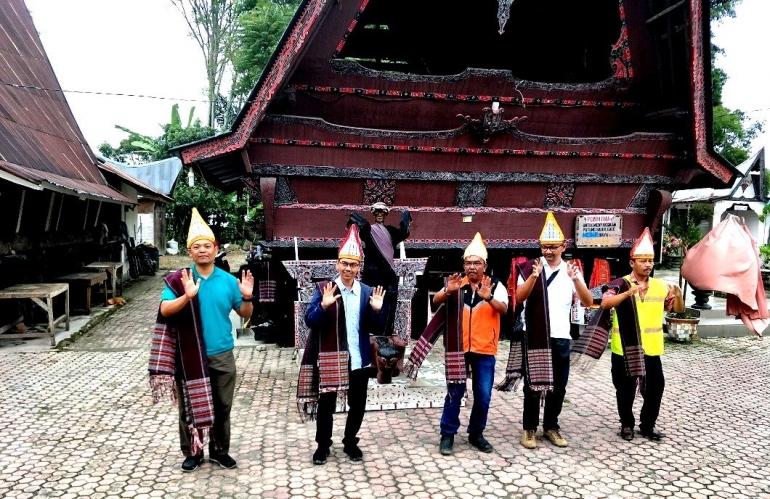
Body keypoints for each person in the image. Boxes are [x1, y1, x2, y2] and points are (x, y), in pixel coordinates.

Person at [149, 208, 254, 472]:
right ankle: (193, 452)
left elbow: (244, 313)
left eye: (207, 245)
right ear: (190, 251)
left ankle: (220, 451)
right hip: (189, 354)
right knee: (188, 409)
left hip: (222, 353)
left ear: (216, 248)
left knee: (223, 406)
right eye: (197, 247)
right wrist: (187, 297)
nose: (203, 250)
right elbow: (164, 310)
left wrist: (249, 297)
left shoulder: (229, 281)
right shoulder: (180, 279)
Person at [405, 233, 508, 455]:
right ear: (463, 264)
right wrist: (448, 291)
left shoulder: (495, 285)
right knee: (454, 392)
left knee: (483, 395)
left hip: (484, 349)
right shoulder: (455, 283)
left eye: (477, 263)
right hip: (457, 349)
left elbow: (504, 310)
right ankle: (448, 434)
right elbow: (436, 301)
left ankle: (476, 433)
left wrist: (488, 297)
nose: (472, 267)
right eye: (468, 262)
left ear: (485, 265)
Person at [297, 224, 385, 465]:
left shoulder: (367, 292)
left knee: (358, 404)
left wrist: (377, 311)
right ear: (337, 264)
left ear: (359, 267)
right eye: (344, 263)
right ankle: (322, 446)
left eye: (353, 264)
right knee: (326, 404)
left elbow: (375, 326)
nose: (348, 268)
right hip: (331, 357)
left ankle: (350, 442)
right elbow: (309, 322)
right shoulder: (325, 289)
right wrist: (323, 306)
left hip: (358, 358)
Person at [508, 212, 593, 449]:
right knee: (533, 383)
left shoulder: (571, 270)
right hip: (534, 334)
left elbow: (587, 301)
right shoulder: (529, 267)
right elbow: (519, 298)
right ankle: (529, 429)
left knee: (559, 384)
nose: (548, 251)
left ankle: (551, 426)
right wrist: (534, 277)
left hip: (560, 336)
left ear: (564, 246)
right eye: (545, 246)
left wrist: (576, 280)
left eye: (553, 246)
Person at [600, 228, 683, 441]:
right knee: (624, 390)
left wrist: (679, 295)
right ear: (631, 263)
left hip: (652, 348)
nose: (647, 265)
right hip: (624, 348)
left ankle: (648, 425)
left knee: (656, 389)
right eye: (642, 260)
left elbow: (675, 310)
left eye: (650, 261)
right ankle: (626, 424)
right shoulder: (619, 285)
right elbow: (605, 303)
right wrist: (627, 293)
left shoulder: (660, 286)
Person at [348, 202, 411, 336]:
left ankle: (386, 332)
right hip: (372, 274)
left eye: (382, 213)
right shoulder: (368, 231)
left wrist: (405, 216)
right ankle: (369, 331)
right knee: (370, 302)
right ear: (374, 214)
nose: (380, 215)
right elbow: (363, 228)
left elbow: (403, 233)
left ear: (386, 215)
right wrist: (354, 217)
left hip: (388, 274)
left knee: (389, 304)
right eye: (377, 212)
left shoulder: (391, 231)